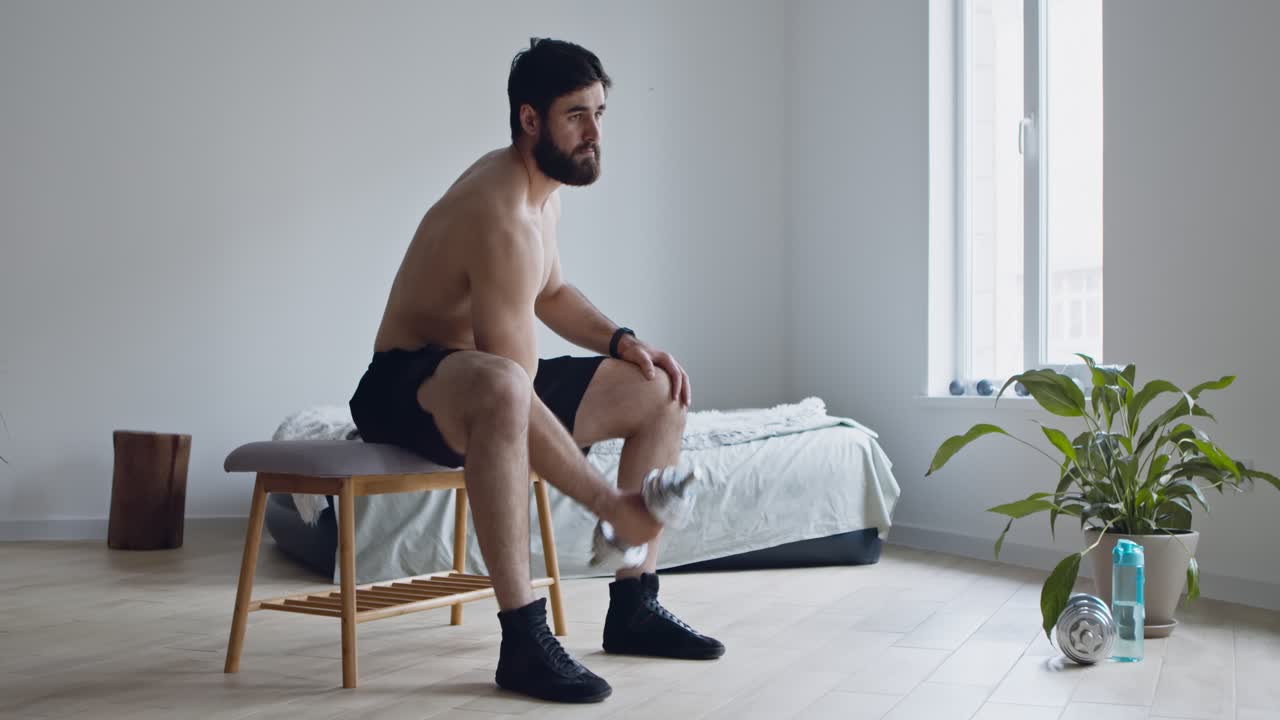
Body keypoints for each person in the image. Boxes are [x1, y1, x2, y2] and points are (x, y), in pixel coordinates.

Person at [348, 37, 724, 704]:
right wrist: (609, 503)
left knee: (660, 389)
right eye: (577, 115)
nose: (594, 133)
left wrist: (622, 340)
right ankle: (523, 638)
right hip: (406, 384)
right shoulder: (500, 214)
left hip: (484, 374)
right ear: (530, 120)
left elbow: (549, 292)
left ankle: (634, 605)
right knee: (501, 386)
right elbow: (510, 387)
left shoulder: (542, 195)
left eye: (601, 114)